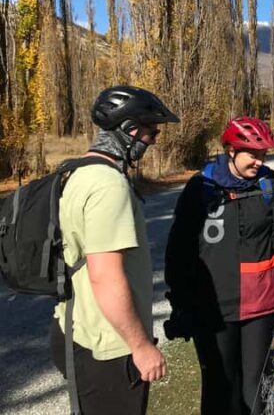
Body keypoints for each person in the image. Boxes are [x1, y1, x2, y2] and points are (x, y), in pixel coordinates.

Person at [164, 116, 274, 415]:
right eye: (252, 155)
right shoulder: (200, 188)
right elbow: (179, 250)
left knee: (254, 387)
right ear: (231, 150)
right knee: (219, 385)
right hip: (213, 306)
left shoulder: (272, 185)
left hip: (261, 303)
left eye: (264, 155)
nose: (259, 161)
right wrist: (180, 303)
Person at [50, 85, 180, 414]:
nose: (152, 140)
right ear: (129, 130)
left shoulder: (75, 172)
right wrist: (140, 346)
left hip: (75, 328)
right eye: (151, 131)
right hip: (109, 348)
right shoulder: (108, 185)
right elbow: (105, 276)